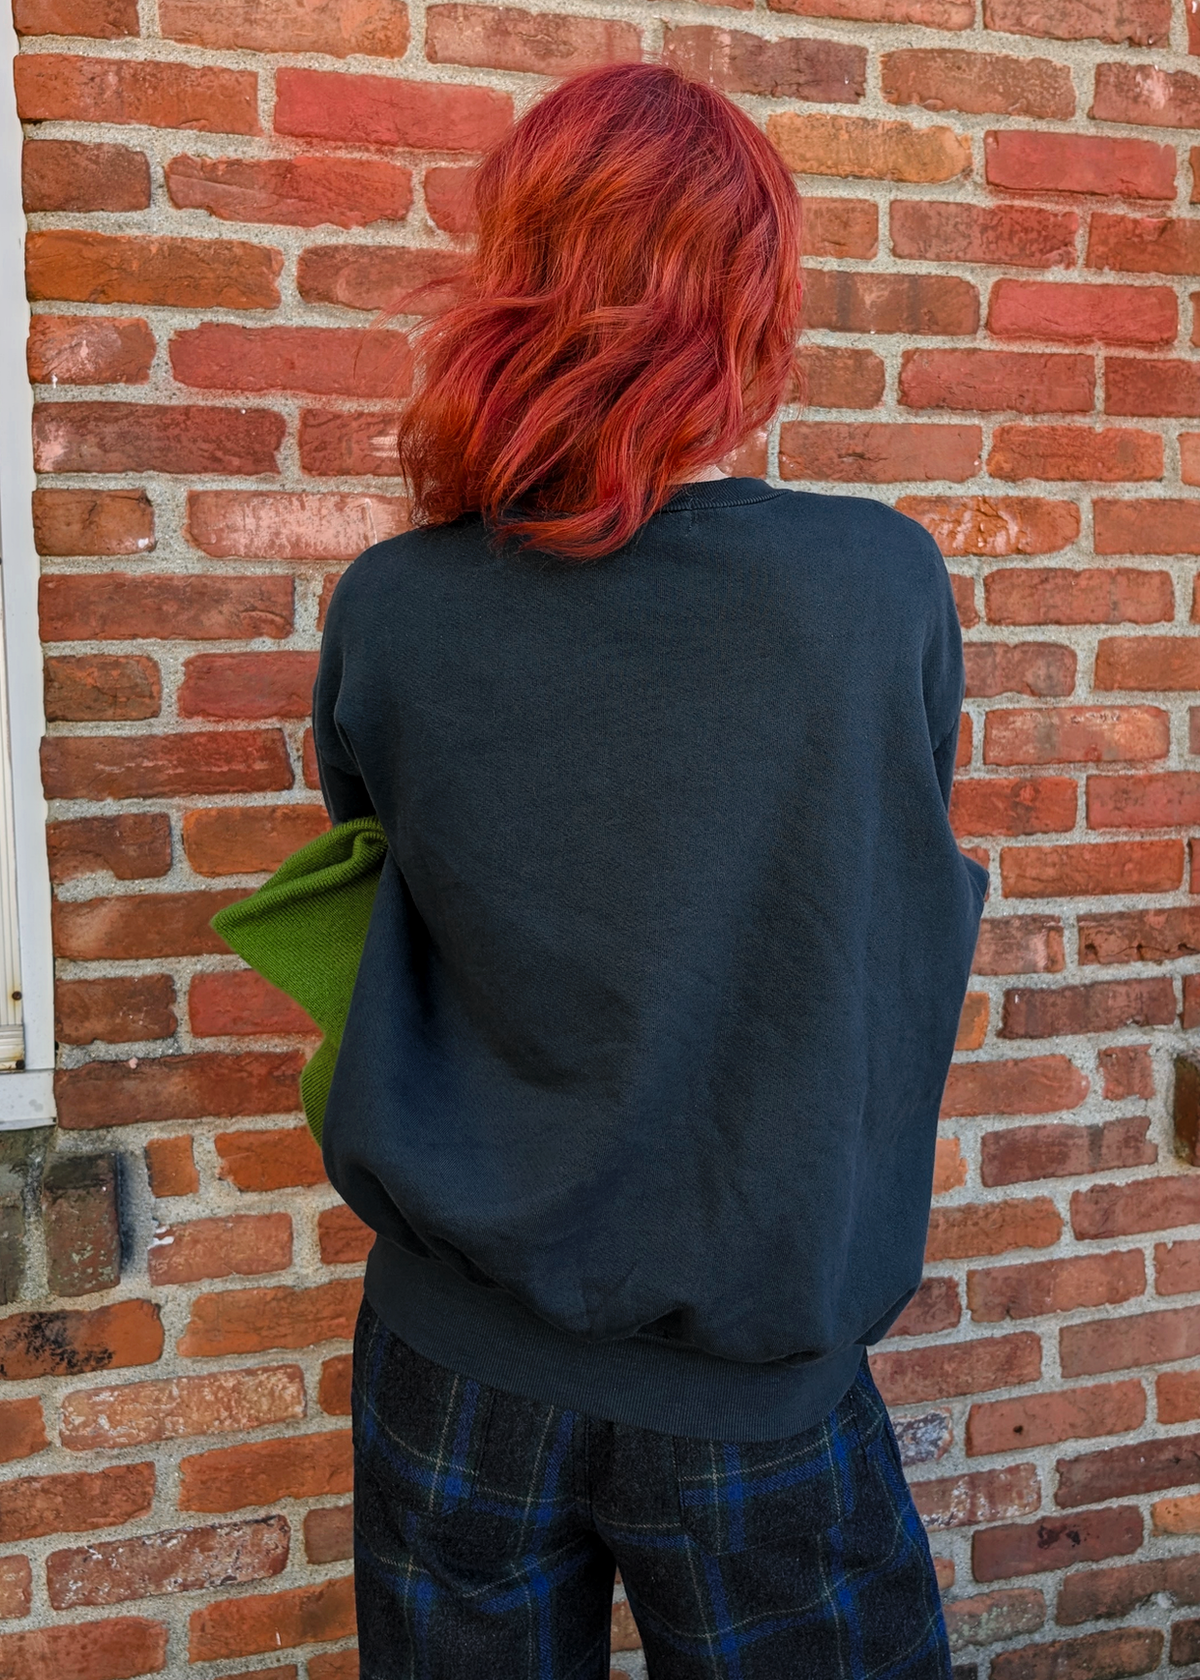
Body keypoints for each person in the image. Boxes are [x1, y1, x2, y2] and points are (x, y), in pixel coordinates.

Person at [312, 57, 987, 1680]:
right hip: (752, 1390)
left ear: (517, 285)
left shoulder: (396, 606)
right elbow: (875, 888)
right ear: (749, 302)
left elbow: (377, 901)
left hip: (454, 1364)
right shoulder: (873, 588)